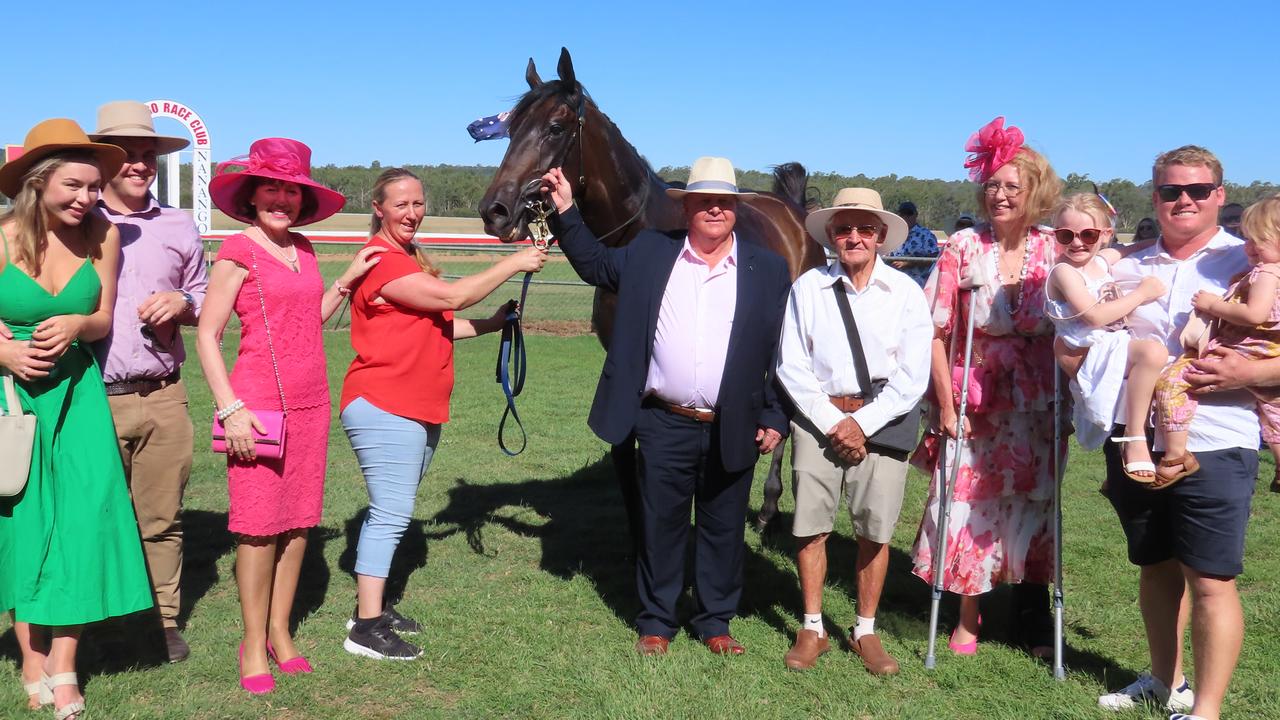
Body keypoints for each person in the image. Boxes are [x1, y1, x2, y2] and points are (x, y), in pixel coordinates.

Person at [541, 157, 790, 656]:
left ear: (735, 208)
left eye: (724, 202)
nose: (714, 210)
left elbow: (783, 350)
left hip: (733, 421)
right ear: (688, 207)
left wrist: (774, 413)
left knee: (723, 525)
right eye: (704, 201)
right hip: (662, 420)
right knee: (662, 525)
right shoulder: (652, 252)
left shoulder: (768, 269)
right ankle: (656, 620)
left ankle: (715, 622)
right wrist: (566, 210)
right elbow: (594, 264)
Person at [196, 138, 384, 694]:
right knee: (257, 530)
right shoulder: (238, 251)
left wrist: (345, 281)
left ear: (302, 200)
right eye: (271, 189)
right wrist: (229, 409)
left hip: (311, 405)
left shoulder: (303, 248)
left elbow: (308, 317)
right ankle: (252, 642)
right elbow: (208, 333)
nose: (281, 200)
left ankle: (281, 632)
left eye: (291, 191)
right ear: (252, 196)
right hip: (253, 409)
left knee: (299, 523)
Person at [340, 168, 547, 660]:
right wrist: (515, 261)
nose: (412, 212)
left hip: (415, 405)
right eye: (401, 204)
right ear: (378, 208)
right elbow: (452, 297)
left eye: (418, 203)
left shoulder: (408, 258)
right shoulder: (383, 263)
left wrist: (495, 323)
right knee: (390, 514)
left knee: (391, 509)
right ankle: (365, 628)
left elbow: (442, 325)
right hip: (385, 403)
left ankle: (374, 608)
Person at [0, 118, 152, 720]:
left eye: (94, 186)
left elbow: (105, 317)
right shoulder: (1, 237)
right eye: (74, 185)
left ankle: (63, 667)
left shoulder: (102, 235)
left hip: (78, 397)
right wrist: (6, 351)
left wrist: (74, 325)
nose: (87, 198)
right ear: (38, 183)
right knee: (23, 524)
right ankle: (30, 661)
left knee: (82, 525)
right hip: (11, 402)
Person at [1097, 146, 1255, 720]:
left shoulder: (1249, 261)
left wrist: (1249, 371)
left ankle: (1206, 710)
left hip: (1217, 438)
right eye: (1170, 191)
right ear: (1155, 195)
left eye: (1197, 190)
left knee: (1211, 579)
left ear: (1219, 195)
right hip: (1136, 436)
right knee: (1156, 565)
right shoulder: (1127, 267)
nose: (1182, 200)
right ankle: (1166, 680)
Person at [909, 117, 1063, 659]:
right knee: (964, 505)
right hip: (975, 403)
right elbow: (935, 329)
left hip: (1038, 406)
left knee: (1033, 503)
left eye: (1011, 187)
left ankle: (1031, 614)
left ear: (1034, 193)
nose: (998, 195)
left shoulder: (1054, 249)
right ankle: (968, 617)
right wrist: (945, 406)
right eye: (992, 186)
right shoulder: (962, 248)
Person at [775, 188, 931, 674]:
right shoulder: (807, 288)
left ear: (882, 236)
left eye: (865, 228)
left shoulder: (906, 293)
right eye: (844, 228)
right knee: (810, 528)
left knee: (874, 531)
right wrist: (832, 422)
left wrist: (858, 424)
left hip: (880, 424)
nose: (855, 237)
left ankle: (865, 630)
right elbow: (791, 364)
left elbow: (913, 375)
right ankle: (812, 627)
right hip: (819, 420)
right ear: (831, 236)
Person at [86, 100, 208, 663]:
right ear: (102, 162)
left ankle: (161, 621)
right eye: (127, 156)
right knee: (95, 513)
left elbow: (206, 299)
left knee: (162, 518)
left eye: (147, 156)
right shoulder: (75, 221)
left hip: (163, 394)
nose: (139, 165)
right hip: (90, 395)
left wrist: (183, 301)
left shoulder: (179, 225)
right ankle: (101, 620)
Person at [1153, 196, 1280, 491]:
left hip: (1244, 349)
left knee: (1171, 382)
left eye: (1256, 241)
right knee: (1273, 408)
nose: (1247, 247)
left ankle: (1175, 455)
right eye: (1246, 239)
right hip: (1269, 352)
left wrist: (1213, 305)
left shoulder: (1266, 272)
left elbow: (1255, 314)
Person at [1044, 193, 1168, 483]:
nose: (1077, 243)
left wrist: (1161, 244)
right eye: (1066, 235)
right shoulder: (1064, 272)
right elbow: (1094, 316)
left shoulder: (1100, 260)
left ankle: (1149, 434)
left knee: (1155, 364)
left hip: (1110, 342)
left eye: (1088, 234)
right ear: (1056, 237)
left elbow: (1130, 248)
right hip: (1087, 347)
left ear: (1105, 234)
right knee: (1153, 354)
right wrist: (1142, 294)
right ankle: (1134, 436)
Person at [887, 200, 940, 286]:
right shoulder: (894, 235)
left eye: (909, 213)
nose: (906, 216)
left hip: (918, 283)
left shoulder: (926, 235)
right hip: (895, 283)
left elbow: (934, 257)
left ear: (916, 215)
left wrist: (909, 262)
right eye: (902, 214)